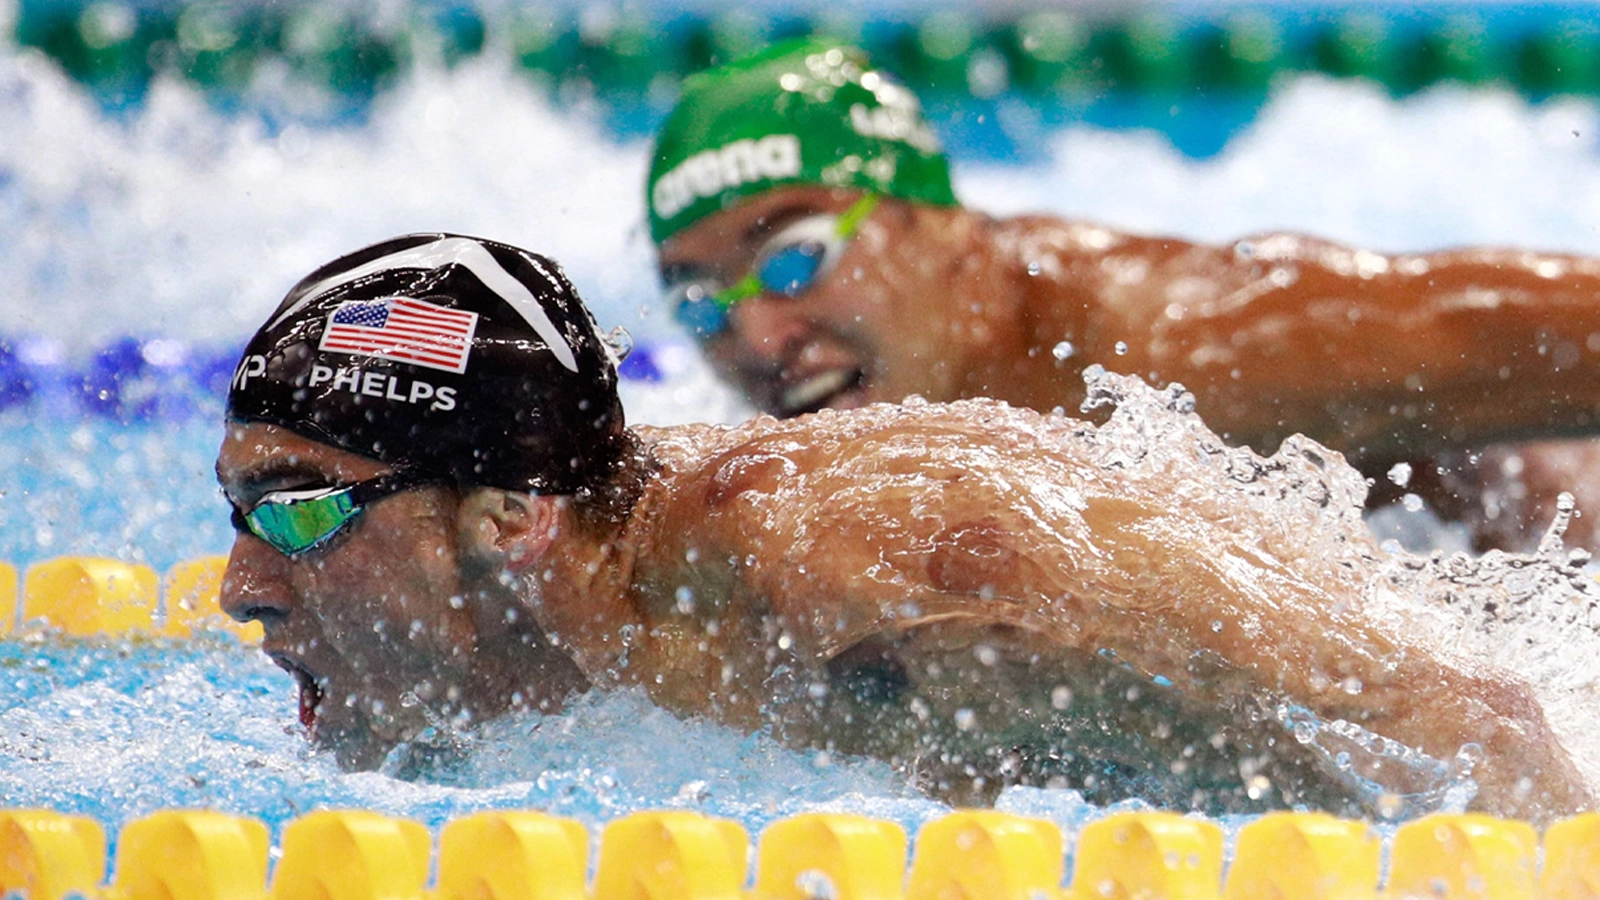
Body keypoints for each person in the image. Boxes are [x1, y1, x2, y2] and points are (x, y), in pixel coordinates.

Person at [218, 232, 1592, 822]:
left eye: (301, 511)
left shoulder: (861, 559)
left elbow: (1473, 723)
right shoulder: (584, 598)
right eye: (241, 517)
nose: (242, 590)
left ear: (511, 513)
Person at [646, 39, 1600, 551]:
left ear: (939, 225)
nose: (756, 333)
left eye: (793, 259)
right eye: (699, 301)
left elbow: (1517, 331)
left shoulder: (1169, 341)